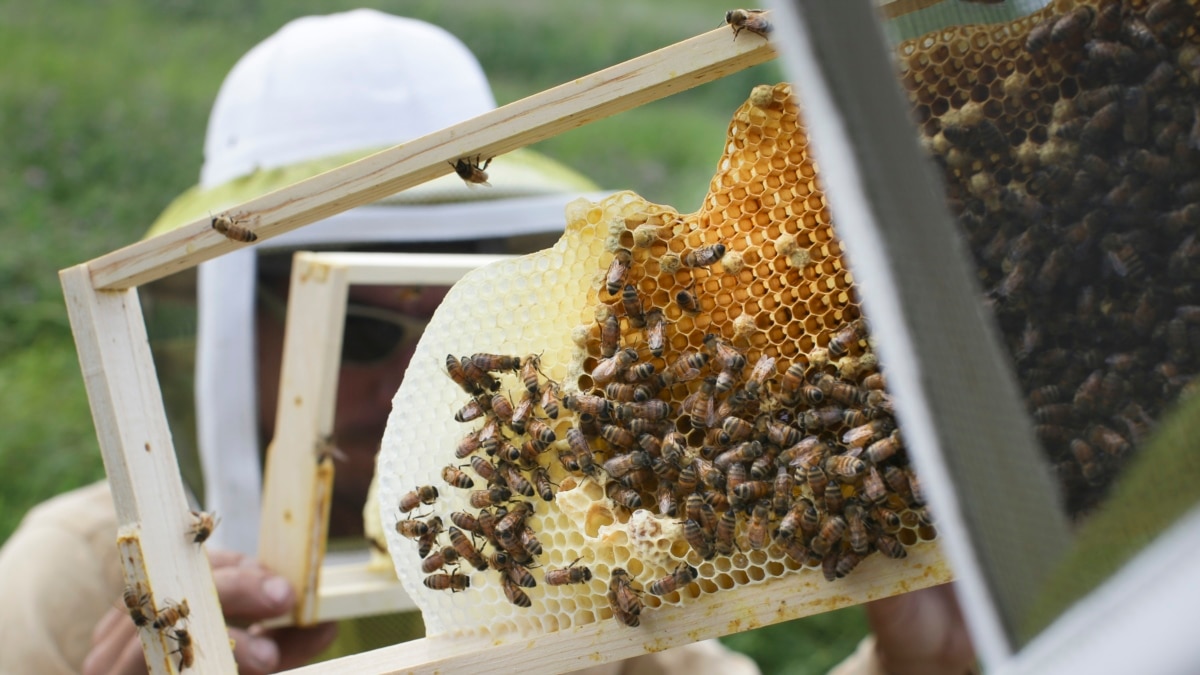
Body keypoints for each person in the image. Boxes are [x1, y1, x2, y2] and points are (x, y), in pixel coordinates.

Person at [0, 9, 974, 675]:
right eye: (361, 328)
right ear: (221, 334)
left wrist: (919, 668)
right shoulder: (78, 579)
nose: (414, 381)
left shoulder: (588, 552)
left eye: (461, 325)